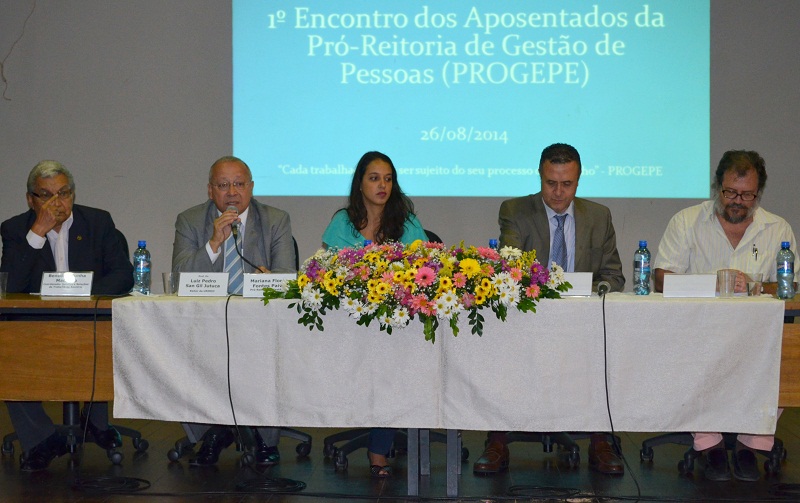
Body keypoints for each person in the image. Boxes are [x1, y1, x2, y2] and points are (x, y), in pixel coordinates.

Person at [473, 143, 626, 476]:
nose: (558, 193)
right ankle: (497, 438)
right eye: (551, 183)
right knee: (500, 338)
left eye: (567, 184)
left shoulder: (598, 216)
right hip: (530, 317)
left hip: (581, 319)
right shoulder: (515, 210)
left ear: (579, 180)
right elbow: (512, 265)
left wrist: (589, 297)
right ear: (540, 176)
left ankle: (600, 439)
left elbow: (614, 275)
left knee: (605, 341)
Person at [653, 149, 796, 482]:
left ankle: (752, 441)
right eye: (730, 192)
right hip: (697, 330)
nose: (738, 201)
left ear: (758, 194)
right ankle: (709, 443)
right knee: (691, 355)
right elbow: (660, 278)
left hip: (758, 335)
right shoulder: (686, 221)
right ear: (716, 186)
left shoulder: (777, 229)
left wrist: (758, 285)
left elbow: (791, 286)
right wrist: (710, 283)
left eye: (747, 195)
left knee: (787, 355)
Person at [0, 160, 134, 471]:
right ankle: (40, 439)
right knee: (7, 350)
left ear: (72, 194)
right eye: (46, 195)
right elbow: (10, 287)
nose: (56, 202)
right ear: (31, 199)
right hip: (35, 324)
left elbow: (122, 275)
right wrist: (37, 232)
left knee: (101, 332)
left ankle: (95, 421)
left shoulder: (98, 222)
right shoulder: (15, 229)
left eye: (63, 193)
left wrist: (83, 295)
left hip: (88, 317)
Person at [172, 155, 296, 466]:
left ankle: (264, 439)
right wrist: (213, 243)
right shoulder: (189, 220)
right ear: (210, 190)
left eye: (239, 184)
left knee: (264, 351)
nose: (232, 192)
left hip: (259, 320)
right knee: (185, 351)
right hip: (206, 320)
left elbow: (286, 275)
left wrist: (271, 281)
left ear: (251, 187)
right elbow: (180, 277)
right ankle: (212, 431)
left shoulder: (275, 219)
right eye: (224, 185)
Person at [321, 150, 428, 478]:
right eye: (374, 178)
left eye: (388, 178)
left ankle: (378, 448)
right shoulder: (342, 222)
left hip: (397, 323)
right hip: (348, 321)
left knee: (390, 368)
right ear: (360, 183)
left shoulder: (407, 223)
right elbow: (330, 272)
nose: (382, 185)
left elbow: (424, 268)